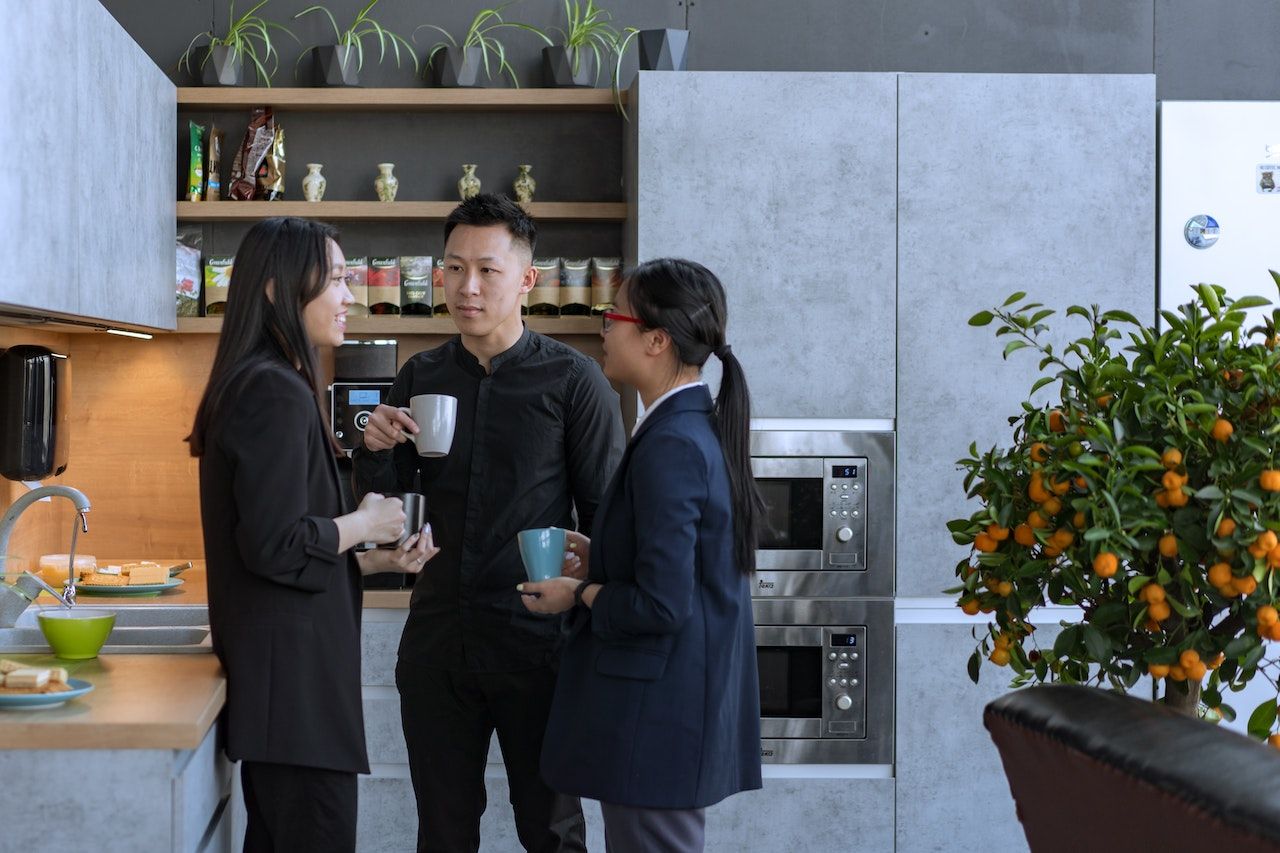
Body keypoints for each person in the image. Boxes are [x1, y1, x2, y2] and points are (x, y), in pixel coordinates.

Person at [352, 194, 625, 852]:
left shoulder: (573, 381)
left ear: (527, 279)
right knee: (443, 833)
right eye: (452, 268)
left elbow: (611, 523)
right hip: (439, 644)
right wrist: (375, 450)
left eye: (487, 269)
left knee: (553, 831)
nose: (466, 286)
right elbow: (387, 517)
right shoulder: (420, 374)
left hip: (539, 647)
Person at [188, 217, 439, 853]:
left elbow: (276, 555)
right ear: (277, 290)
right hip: (294, 700)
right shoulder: (273, 390)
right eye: (334, 280)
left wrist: (371, 555)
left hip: (292, 700)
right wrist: (365, 521)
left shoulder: (268, 381)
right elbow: (274, 544)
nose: (349, 295)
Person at [520, 258, 764, 853]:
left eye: (613, 316)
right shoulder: (685, 428)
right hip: (668, 715)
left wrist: (576, 593)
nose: (602, 328)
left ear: (655, 340)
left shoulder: (672, 443)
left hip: (656, 720)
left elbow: (661, 604)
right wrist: (601, 550)